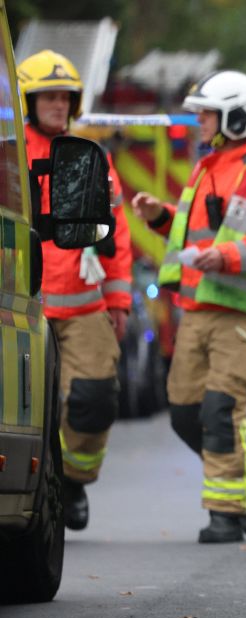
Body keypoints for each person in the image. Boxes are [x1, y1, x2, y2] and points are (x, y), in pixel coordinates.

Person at [132, 71, 246, 545]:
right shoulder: (208, 167)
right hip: (198, 309)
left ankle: (226, 511)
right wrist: (161, 217)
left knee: (222, 410)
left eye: (206, 113)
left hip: (243, 316)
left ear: (235, 118)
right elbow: (196, 237)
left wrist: (224, 256)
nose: (199, 121)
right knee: (186, 414)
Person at [17, 50, 133, 532]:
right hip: (24, 304)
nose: (59, 105)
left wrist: (120, 300)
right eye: (49, 96)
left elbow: (117, 232)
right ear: (29, 100)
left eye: (66, 97)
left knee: (95, 398)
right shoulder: (9, 154)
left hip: (86, 304)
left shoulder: (90, 158)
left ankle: (73, 481)